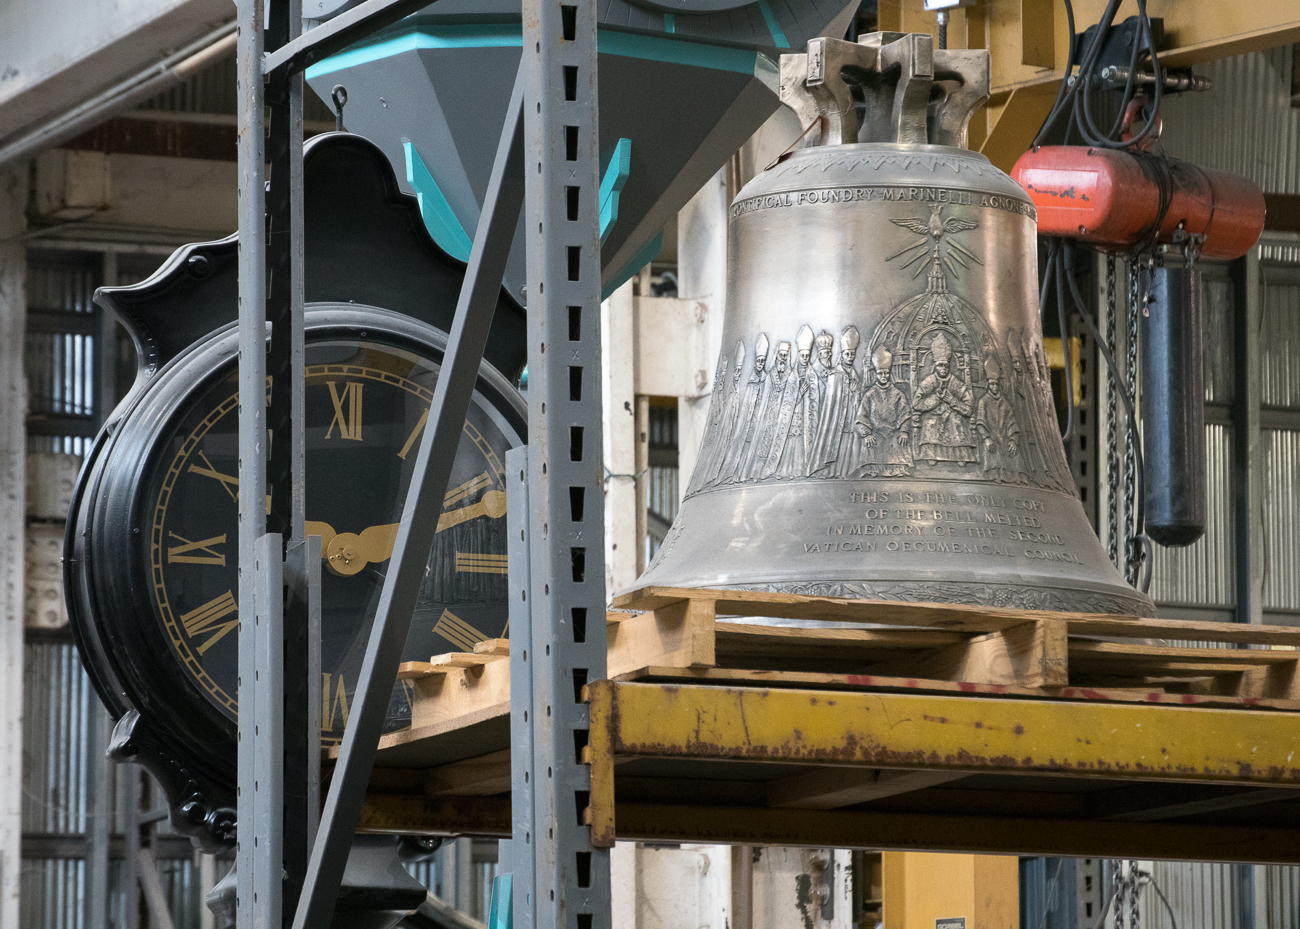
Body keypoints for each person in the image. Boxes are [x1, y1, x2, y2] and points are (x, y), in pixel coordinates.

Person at [912, 332, 977, 464]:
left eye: (946, 365)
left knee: (956, 421)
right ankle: (932, 454)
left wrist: (951, 400)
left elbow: (969, 409)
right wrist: (936, 398)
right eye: (940, 365)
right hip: (934, 416)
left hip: (953, 416)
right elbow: (916, 403)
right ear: (935, 366)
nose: (943, 368)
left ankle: (960, 455)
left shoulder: (956, 384)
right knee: (931, 422)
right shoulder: (929, 382)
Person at [764, 325, 818, 479]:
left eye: (808, 356)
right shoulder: (791, 377)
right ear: (798, 356)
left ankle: (801, 470)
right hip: (791, 416)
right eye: (803, 356)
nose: (806, 359)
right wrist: (800, 393)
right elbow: (787, 402)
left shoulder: (812, 376)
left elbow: (815, 399)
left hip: (804, 417)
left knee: (801, 441)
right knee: (789, 441)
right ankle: (784, 470)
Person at [853, 345, 913, 477]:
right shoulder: (870, 395)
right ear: (876, 374)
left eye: (886, 373)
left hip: (893, 432)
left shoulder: (898, 394)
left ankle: (898, 470)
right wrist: (867, 434)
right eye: (881, 373)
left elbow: (905, 414)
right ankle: (872, 470)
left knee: (899, 442)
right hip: (876, 433)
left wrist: (904, 431)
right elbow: (862, 416)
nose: (884, 376)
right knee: (870, 443)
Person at [810, 325, 862, 477]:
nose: (850, 357)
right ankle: (829, 472)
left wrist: (855, 392)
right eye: (847, 354)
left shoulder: (855, 376)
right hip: (835, 424)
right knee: (835, 447)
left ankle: (845, 473)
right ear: (842, 354)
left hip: (849, 422)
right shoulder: (835, 375)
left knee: (847, 448)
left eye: (853, 354)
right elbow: (830, 406)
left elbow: (858, 400)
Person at [722, 333, 772, 483]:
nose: (761, 363)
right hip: (748, 423)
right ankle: (738, 475)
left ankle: (754, 474)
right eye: (759, 360)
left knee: (756, 451)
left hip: (759, 423)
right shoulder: (750, 381)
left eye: (763, 360)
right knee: (743, 450)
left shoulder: (766, 379)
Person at [700, 340, 746, 487]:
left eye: (740, 371)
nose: (738, 374)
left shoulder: (741, 390)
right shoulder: (728, 392)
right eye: (736, 371)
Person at [975, 357, 1026, 483]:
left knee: (1015, 454)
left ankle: (1016, 479)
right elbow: (980, 423)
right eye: (992, 384)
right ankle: (996, 477)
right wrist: (986, 439)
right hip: (991, 439)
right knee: (993, 454)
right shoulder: (983, 402)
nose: (994, 386)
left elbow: (1012, 422)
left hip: (1005, 438)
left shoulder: (1005, 403)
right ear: (988, 385)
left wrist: (1013, 440)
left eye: (996, 384)